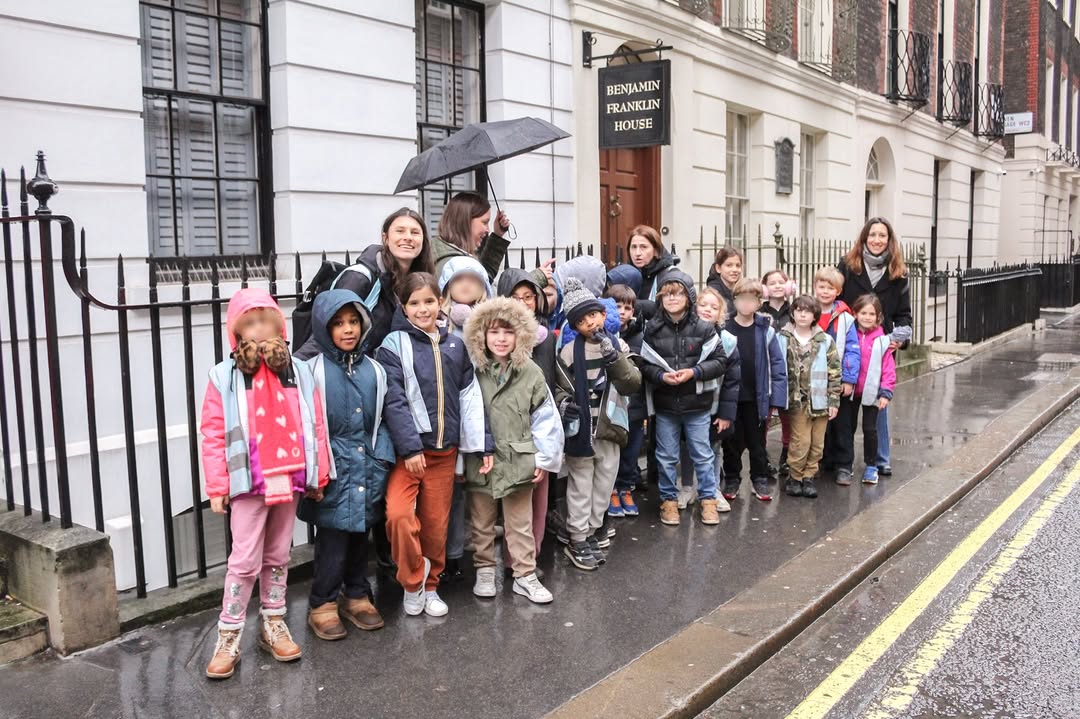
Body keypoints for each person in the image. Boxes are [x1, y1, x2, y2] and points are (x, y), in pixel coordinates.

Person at [200, 288, 329, 679]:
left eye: (265, 320)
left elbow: (316, 422)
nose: (258, 329)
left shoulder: (300, 370)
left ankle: (273, 622)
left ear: (279, 324)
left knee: (277, 555)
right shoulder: (224, 375)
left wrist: (318, 472)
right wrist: (217, 485)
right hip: (248, 480)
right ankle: (230, 632)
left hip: (288, 478)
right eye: (249, 322)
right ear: (236, 331)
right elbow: (212, 432)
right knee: (243, 560)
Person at [376, 273, 494, 618]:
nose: (423, 308)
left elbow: (470, 398)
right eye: (414, 303)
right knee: (398, 516)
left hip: (445, 454)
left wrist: (482, 445)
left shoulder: (456, 345)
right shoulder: (393, 346)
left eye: (429, 301)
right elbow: (394, 401)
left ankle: (430, 587)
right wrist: (411, 449)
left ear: (441, 302)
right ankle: (413, 580)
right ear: (404, 307)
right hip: (410, 454)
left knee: (435, 525)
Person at [298, 290, 396, 640]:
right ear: (324, 328)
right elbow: (307, 422)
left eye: (353, 321)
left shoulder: (374, 370)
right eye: (338, 323)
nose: (348, 329)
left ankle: (356, 593)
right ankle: (322, 601)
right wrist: (314, 470)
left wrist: (381, 459)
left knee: (361, 536)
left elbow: (382, 418)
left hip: (367, 466)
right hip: (332, 469)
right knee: (332, 540)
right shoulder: (311, 371)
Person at [461, 298, 563, 603]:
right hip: (483, 459)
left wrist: (542, 458)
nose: (501, 339)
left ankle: (524, 574)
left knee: (520, 523)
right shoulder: (472, 370)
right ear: (482, 335)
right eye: (494, 332)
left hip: (519, 458)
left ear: (521, 335)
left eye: (508, 332)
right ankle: (484, 568)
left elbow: (545, 417)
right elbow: (463, 412)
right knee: (481, 521)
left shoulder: (530, 371)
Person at [555, 278, 641, 571]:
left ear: (603, 315)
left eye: (593, 315)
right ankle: (577, 538)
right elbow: (559, 389)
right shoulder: (569, 353)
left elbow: (632, 383)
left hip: (609, 429)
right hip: (581, 431)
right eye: (582, 320)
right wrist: (566, 405)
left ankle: (593, 530)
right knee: (580, 486)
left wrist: (613, 357)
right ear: (575, 326)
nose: (590, 323)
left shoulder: (618, 345)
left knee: (604, 483)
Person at [639, 271, 736, 526]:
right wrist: (661, 376)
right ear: (660, 298)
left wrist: (694, 372)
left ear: (689, 297)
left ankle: (708, 501)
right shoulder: (653, 329)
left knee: (702, 454)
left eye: (678, 293)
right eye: (667, 294)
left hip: (697, 404)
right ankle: (668, 501)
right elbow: (645, 365)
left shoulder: (703, 328)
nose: (672, 298)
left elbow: (720, 361)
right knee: (667, 455)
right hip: (666, 405)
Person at [295, 207, 435, 360]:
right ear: (386, 238)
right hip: (351, 372)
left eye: (415, 232)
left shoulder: (418, 280)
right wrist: (294, 373)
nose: (408, 237)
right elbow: (324, 333)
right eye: (400, 231)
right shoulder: (360, 278)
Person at [837, 217, 912, 477]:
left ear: (889, 240)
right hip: (850, 345)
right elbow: (835, 301)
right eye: (873, 235)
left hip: (881, 348)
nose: (877, 240)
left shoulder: (898, 274)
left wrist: (898, 339)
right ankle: (838, 461)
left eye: (882, 235)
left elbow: (904, 315)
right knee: (844, 407)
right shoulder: (847, 267)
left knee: (878, 404)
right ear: (864, 238)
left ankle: (879, 459)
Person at [438, 255, 495, 583]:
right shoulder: (440, 322)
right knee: (452, 489)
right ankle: (452, 553)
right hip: (453, 412)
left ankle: (482, 550)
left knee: (482, 486)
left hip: (488, 410)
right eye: (458, 279)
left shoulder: (492, 322)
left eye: (473, 279)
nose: (465, 285)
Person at [497, 268, 558, 570]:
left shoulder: (546, 337)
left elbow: (552, 379)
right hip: (509, 429)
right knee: (514, 497)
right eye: (515, 297)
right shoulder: (497, 338)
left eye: (529, 297)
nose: (523, 304)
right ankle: (512, 558)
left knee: (539, 496)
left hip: (539, 424)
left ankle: (532, 554)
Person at [721, 278, 787, 502]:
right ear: (734, 300)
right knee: (731, 441)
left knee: (757, 441)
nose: (746, 304)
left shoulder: (765, 330)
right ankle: (732, 477)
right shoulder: (725, 327)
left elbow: (777, 365)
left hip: (757, 397)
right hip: (730, 396)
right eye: (741, 299)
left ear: (759, 303)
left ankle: (759, 478)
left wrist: (776, 399)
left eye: (751, 299)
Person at [777, 295, 841, 499]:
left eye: (807, 311)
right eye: (798, 310)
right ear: (793, 313)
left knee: (817, 442)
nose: (802, 314)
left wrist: (833, 400)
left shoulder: (825, 340)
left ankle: (809, 476)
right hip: (797, 400)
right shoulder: (783, 338)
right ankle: (795, 476)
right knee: (800, 440)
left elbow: (834, 371)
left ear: (815, 315)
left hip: (820, 399)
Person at [834, 294, 896, 486]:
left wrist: (886, 392)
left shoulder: (883, 341)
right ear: (855, 313)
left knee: (870, 429)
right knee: (846, 428)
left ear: (878, 317)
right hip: (849, 390)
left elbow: (888, 369)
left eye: (872, 314)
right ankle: (845, 464)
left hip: (872, 392)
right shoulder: (848, 333)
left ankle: (871, 466)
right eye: (863, 313)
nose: (867, 317)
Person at [814, 266, 862, 482]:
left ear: (838, 291)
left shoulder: (845, 319)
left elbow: (852, 349)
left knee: (842, 424)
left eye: (829, 288)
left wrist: (849, 379)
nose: (824, 291)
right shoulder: (808, 311)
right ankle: (824, 460)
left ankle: (844, 464)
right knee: (820, 423)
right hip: (815, 380)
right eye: (821, 286)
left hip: (838, 379)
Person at [604, 282, 644, 518]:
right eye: (617, 306)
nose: (622, 312)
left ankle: (625, 488)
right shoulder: (603, 334)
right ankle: (611, 490)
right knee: (612, 452)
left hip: (634, 405)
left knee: (631, 451)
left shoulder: (639, 334)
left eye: (627, 307)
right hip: (610, 405)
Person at [760, 269, 796, 478]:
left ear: (789, 286)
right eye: (771, 282)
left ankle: (786, 455)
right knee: (763, 417)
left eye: (781, 282)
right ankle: (762, 456)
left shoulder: (795, 310)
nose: (777, 286)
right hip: (766, 372)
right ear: (764, 288)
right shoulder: (760, 311)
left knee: (787, 416)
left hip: (789, 371)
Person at [625, 224, 678, 318]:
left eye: (643, 247)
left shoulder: (670, 275)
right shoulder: (626, 274)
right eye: (633, 247)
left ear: (656, 251)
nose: (637, 253)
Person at [706, 246, 744, 314]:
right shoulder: (713, 293)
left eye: (738, 266)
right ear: (718, 268)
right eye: (729, 265)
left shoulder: (741, 289)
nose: (735, 270)